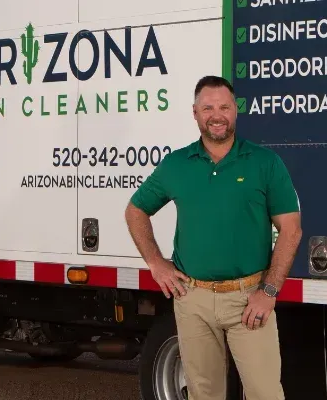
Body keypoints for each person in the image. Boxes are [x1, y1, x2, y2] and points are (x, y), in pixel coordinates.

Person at [124, 75, 302, 400]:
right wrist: (156, 263)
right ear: (195, 113)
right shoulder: (177, 165)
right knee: (203, 394)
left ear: (236, 110)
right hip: (193, 299)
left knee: (265, 393)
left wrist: (270, 290)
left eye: (223, 106)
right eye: (208, 108)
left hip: (249, 298)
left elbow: (291, 229)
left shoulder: (265, 163)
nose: (216, 115)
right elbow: (136, 211)